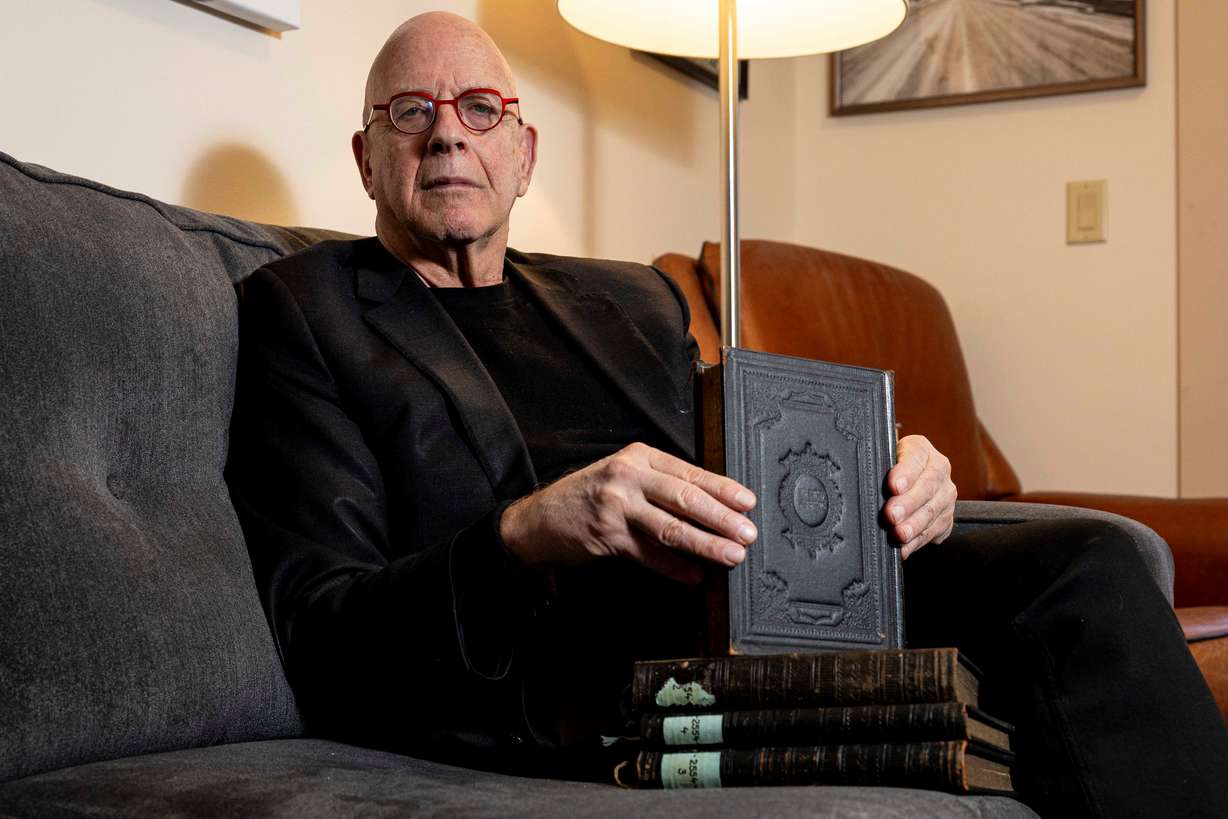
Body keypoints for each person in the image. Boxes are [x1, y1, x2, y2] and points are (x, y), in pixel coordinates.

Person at [227, 11, 1228, 817]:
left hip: (760, 601)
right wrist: (528, 533)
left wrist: (897, 469)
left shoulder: (623, 302)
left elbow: (757, 456)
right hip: (572, 659)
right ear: (366, 159)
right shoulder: (305, 310)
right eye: (410, 113)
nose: (447, 130)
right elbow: (320, 629)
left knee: (1084, 562)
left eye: (479, 108)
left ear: (523, 153)